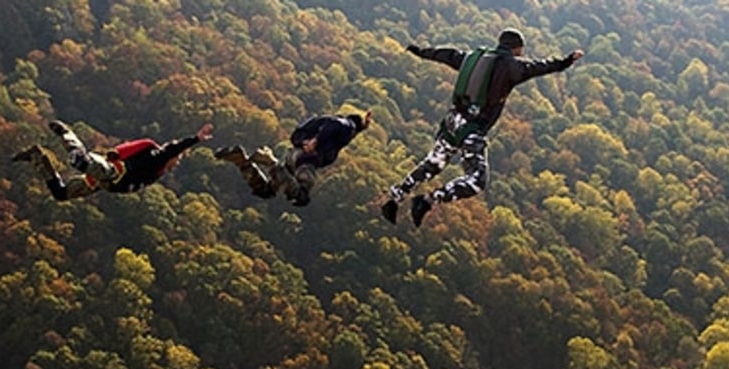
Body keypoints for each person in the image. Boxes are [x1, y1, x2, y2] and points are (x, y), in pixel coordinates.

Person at [380, 29, 584, 227]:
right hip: (472, 128)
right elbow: (540, 66)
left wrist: (421, 51)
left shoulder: (473, 57)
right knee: (476, 180)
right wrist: (566, 61)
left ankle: (395, 198)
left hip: (452, 121)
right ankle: (428, 200)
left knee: (432, 164)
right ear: (516, 49)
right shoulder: (511, 67)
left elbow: (447, 55)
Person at [13, 121, 213, 200]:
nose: (176, 164)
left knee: (60, 193)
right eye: (177, 160)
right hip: (114, 171)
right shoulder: (158, 156)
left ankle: (36, 157)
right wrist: (196, 139)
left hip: (106, 184)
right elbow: (174, 147)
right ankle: (66, 133)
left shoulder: (158, 173)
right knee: (82, 161)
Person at [213, 111, 371, 207]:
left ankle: (241, 160)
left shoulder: (322, 121)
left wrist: (363, 126)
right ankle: (269, 161)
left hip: (294, 155)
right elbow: (336, 125)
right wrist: (316, 141)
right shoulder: (346, 125)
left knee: (266, 191)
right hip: (307, 160)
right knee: (301, 195)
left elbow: (296, 133)